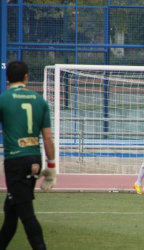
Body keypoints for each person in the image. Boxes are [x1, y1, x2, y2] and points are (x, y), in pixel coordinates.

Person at [0, 61, 57, 250]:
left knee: (25, 212)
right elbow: (47, 138)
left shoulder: (4, 99)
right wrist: (51, 167)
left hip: (15, 160)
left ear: (7, 78)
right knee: (11, 209)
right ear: (26, 77)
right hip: (34, 159)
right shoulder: (39, 100)